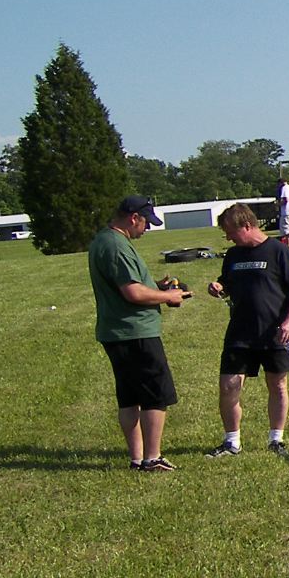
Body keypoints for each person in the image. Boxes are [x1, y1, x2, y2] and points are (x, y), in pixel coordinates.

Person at [87, 194, 189, 472]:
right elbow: (132, 292)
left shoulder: (103, 240)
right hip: (135, 332)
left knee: (129, 397)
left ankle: (137, 458)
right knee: (155, 395)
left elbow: (127, 282)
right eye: (146, 223)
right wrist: (169, 297)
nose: (146, 229)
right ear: (134, 218)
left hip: (116, 331)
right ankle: (152, 458)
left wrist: (155, 285)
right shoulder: (117, 246)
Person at [203, 203, 289, 458]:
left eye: (231, 232)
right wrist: (219, 287)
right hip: (240, 331)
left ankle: (276, 439)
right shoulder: (233, 255)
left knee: (277, 384)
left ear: (247, 226)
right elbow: (228, 283)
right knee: (228, 385)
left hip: (275, 332)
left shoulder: (278, 251)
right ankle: (232, 442)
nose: (228, 238)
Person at [274, 172, 289, 236]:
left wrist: (277, 204)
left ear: (280, 183)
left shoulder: (284, 188)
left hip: (287, 214)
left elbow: (285, 200)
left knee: (286, 233)